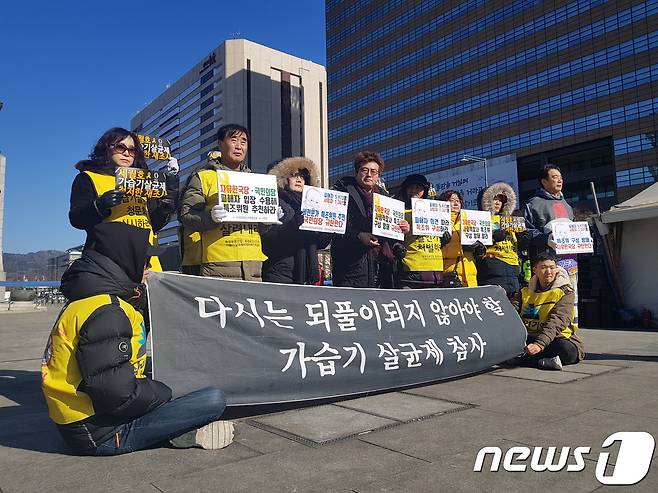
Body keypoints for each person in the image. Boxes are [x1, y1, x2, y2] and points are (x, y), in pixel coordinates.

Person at [41, 222, 233, 455]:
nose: (149, 267)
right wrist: (164, 392)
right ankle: (174, 431)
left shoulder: (90, 300)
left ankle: (178, 430)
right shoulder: (108, 311)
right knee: (212, 399)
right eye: (145, 260)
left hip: (80, 419)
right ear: (125, 261)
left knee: (184, 391)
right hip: (100, 432)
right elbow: (116, 393)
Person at [69, 127, 179, 271]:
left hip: (147, 261)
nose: (127, 153)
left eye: (132, 150)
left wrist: (165, 210)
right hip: (107, 262)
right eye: (121, 147)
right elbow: (76, 218)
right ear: (106, 148)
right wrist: (98, 206)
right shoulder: (88, 177)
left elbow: (153, 224)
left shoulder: (145, 181)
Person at [179, 124, 266, 280]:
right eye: (234, 140)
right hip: (217, 264)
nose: (239, 146)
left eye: (244, 141)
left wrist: (270, 219)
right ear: (220, 144)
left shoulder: (256, 182)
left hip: (253, 265)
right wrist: (210, 217)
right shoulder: (203, 177)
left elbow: (261, 228)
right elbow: (187, 215)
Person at [331, 151, 408, 288]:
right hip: (351, 265)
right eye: (364, 170)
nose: (369, 175)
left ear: (378, 175)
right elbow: (334, 225)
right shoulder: (341, 192)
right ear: (357, 172)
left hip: (381, 265)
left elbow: (392, 234)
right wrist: (358, 235)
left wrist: (402, 229)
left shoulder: (387, 199)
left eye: (374, 171)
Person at [261, 157, 331, 284]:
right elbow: (267, 240)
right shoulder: (274, 200)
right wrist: (292, 226)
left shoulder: (313, 205)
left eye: (302, 176)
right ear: (284, 178)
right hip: (280, 274)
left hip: (308, 276)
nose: (299, 179)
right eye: (294, 175)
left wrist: (328, 230)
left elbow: (319, 244)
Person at [523, 164, 579, 323]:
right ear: (544, 182)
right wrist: (545, 239)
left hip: (570, 262)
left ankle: (569, 326)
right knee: (549, 297)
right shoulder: (533, 204)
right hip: (546, 262)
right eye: (555, 177)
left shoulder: (567, 205)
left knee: (569, 294)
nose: (559, 181)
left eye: (561, 178)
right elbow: (526, 232)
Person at [513, 251, 585, 370]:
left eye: (552, 267)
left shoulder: (566, 292)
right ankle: (542, 362)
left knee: (567, 351)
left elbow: (558, 321)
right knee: (509, 345)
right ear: (535, 270)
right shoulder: (524, 291)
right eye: (544, 267)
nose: (549, 272)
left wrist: (539, 344)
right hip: (529, 336)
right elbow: (512, 313)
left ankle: (527, 360)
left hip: (555, 338)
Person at [394, 174, 454, 288]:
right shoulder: (400, 211)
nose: (414, 191)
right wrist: (397, 244)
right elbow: (392, 238)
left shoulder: (437, 212)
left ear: (424, 190)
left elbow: (440, 240)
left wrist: (444, 240)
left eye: (418, 188)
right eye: (410, 187)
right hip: (412, 269)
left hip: (436, 268)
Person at [477, 182, 530, 297]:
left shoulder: (511, 220)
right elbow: (474, 244)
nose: (497, 202)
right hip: (492, 268)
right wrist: (492, 238)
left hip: (513, 268)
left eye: (500, 200)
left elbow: (517, 245)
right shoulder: (480, 219)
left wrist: (524, 239)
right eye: (493, 199)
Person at [438, 190, 485, 287]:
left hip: (470, 275)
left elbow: (478, 255)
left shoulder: (470, 221)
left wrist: (479, 250)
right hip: (450, 274)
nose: (455, 203)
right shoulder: (438, 222)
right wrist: (460, 248)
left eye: (458, 201)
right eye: (451, 200)